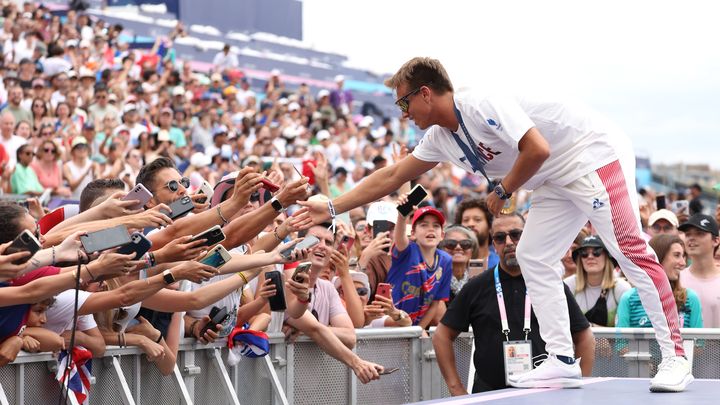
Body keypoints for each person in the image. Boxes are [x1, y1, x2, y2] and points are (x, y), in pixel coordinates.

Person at [301, 56, 691, 391]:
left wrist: (504, 189)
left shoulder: (478, 102)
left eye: (404, 101)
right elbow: (389, 177)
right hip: (552, 176)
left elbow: (537, 147)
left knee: (628, 247)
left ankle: (675, 357)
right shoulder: (439, 137)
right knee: (534, 256)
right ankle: (561, 359)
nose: (403, 113)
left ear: (425, 93)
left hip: (591, 154)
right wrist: (332, 206)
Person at [433, 214, 594, 394]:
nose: (508, 242)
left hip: (543, 394)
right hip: (489, 394)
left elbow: (584, 336)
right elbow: (442, 336)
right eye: (500, 238)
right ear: (494, 244)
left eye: (516, 235)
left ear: (528, 238)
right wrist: (457, 389)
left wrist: (580, 386)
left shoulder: (548, 283)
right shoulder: (476, 286)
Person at [617, 234, 702, 328]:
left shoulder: (690, 298)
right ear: (657, 258)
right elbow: (621, 342)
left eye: (683, 256)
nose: (683, 263)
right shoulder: (629, 299)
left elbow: (698, 342)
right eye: (677, 255)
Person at [389, 202, 451, 330]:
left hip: (414, 328)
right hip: (389, 323)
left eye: (436, 226)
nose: (431, 229)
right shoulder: (407, 250)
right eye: (424, 225)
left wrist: (419, 330)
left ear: (442, 235)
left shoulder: (446, 261)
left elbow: (435, 304)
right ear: (412, 234)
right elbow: (399, 238)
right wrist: (402, 216)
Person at [564, 235, 632, 327]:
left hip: (612, 342)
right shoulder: (568, 285)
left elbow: (625, 332)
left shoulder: (621, 288)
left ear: (607, 257)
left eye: (597, 252)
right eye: (584, 253)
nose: (590, 257)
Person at [678, 214, 720, 328]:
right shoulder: (676, 280)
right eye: (687, 234)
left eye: (699, 233)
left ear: (716, 240)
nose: (691, 238)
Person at [454, 198, 499, 268]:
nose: (470, 224)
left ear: (490, 226)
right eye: (466, 220)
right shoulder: (450, 264)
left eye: (477, 220)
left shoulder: (500, 264)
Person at [439, 225, 480, 300]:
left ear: (472, 250)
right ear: (440, 249)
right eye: (450, 244)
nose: (458, 247)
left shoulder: (480, 281)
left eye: (465, 244)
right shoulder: (434, 281)